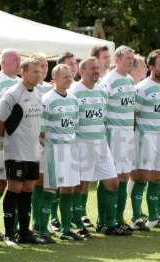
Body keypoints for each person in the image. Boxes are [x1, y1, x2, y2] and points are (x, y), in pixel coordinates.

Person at [69, 57, 128, 236]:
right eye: (92, 68)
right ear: (82, 71)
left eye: (98, 68)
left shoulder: (102, 90)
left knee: (112, 181)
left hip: (101, 143)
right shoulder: (74, 92)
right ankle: (77, 223)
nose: (97, 71)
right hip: (82, 144)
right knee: (81, 185)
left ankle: (107, 223)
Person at [0, 57, 44, 245]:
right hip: (15, 151)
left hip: (33, 151)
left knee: (28, 189)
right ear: (22, 72)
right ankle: (9, 234)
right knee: (14, 189)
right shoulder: (12, 94)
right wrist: (1, 145)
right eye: (34, 71)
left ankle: (24, 232)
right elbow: (0, 121)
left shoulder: (38, 93)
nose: (39, 74)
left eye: (40, 71)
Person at [131, 49, 160, 229]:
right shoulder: (141, 88)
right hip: (145, 137)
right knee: (142, 176)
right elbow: (134, 114)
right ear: (151, 67)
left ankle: (154, 217)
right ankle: (136, 217)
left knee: (158, 176)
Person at [41, 64, 82, 241]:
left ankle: (66, 229)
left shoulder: (74, 99)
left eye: (70, 76)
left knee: (69, 188)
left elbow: (75, 126)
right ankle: (42, 229)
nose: (69, 79)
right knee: (50, 189)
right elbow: (41, 131)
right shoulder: (47, 99)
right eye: (65, 76)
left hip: (70, 149)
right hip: (54, 149)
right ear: (55, 78)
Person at [100, 45, 136, 232]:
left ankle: (119, 218)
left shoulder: (130, 80)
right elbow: (103, 110)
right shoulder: (109, 80)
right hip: (114, 133)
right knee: (110, 176)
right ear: (118, 59)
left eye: (132, 58)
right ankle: (104, 220)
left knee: (123, 175)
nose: (131, 61)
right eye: (128, 58)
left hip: (128, 133)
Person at [0, 49, 21, 241]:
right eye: (14, 60)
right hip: (0, 142)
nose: (18, 62)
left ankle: (12, 227)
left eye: (19, 59)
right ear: (4, 62)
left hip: (19, 144)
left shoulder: (20, 83)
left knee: (15, 184)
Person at [29, 53, 52, 233]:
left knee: (46, 181)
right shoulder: (27, 89)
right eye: (39, 66)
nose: (43, 69)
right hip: (30, 143)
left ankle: (41, 222)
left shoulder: (49, 89)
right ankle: (34, 223)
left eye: (45, 65)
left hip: (49, 142)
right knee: (34, 182)